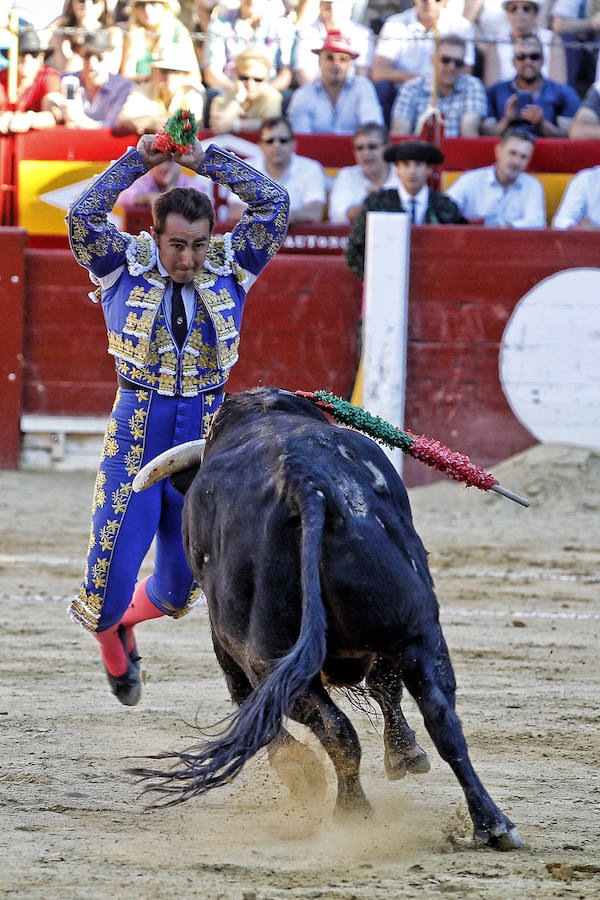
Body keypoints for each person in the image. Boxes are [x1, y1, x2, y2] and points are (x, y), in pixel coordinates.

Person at [67, 131, 290, 706]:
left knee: (178, 588)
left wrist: (208, 162)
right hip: (135, 439)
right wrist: (137, 162)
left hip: (203, 451)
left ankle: (126, 626)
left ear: (211, 239)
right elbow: (83, 217)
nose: (187, 258)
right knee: (106, 588)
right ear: (155, 237)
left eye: (196, 245)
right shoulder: (123, 266)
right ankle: (113, 643)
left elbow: (274, 205)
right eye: (175, 245)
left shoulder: (231, 268)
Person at [345, 140, 466, 279]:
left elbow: (460, 251)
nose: (412, 171)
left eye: (418, 165)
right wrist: (380, 278)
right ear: (397, 170)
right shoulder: (376, 203)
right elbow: (354, 252)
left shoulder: (445, 205)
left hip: (436, 280)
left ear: (428, 170)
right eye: (406, 165)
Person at [371, 0, 477, 125]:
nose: (429, 3)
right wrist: (420, 83)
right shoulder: (395, 23)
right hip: (403, 93)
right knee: (382, 88)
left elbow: (465, 71)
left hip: (446, 94)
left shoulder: (461, 26)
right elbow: (379, 72)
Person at [228, 116, 327, 222]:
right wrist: (279, 216)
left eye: (283, 140)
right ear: (260, 145)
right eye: (270, 141)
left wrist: (271, 216)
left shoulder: (311, 169)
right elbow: (234, 211)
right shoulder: (245, 168)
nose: (277, 145)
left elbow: (315, 213)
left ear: (293, 143)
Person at [287, 30, 384, 133]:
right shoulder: (303, 94)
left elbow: (373, 129)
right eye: (329, 58)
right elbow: (300, 137)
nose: (336, 64)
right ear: (319, 61)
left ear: (350, 64)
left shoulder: (363, 87)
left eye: (343, 59)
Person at [390, 35, 487, 138]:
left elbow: (469, 133)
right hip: (417, 152)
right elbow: (400, 135)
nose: (451, 67)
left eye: (458, 63)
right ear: (433, 60)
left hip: (456, 152)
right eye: (445, 60)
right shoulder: (411, 88)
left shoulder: (472, 86)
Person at [446, 127, 546, 226]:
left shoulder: (533, 186)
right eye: (512, 153)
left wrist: (504, 229)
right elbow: (443, 210)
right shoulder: (470, 180)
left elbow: (537, 222)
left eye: (523, 157)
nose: (516, 162)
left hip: (516, 241)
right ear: (498, 151)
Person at [484, 33, 580, 135]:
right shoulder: (494, 92)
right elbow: (483, 136)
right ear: (513, 61)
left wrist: (542, 123)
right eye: (521, 57)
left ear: (542, 60)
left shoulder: (564, 93)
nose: (528, 62)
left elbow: (571, 137)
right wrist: (507, 120)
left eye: (534, 56)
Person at [203, 0, 295, 93]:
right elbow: (212, 72)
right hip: (230, 90)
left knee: (284, 96)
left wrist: (261, 93)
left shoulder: (282, 26)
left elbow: (285, 73)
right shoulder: (219, 25)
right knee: (214, 93)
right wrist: (237, 91)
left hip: (267, 92)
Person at [114, 49, 205, 135]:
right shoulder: (142, 90)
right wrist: (172, 122)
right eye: (164, 71)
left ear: (185, 74)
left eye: (175, 71)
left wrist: (150, 121)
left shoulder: (193, 92)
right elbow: (123, 121)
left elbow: (194, 125)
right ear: (154, 72)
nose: (169, 76)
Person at [478, 0, 566, 87]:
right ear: (507, 13)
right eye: (513, 8)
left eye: (526, 8)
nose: (519, 12)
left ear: (536, 12)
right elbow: (492, 90)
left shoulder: (552, 40)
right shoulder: (496, 44)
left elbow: (559, 87)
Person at [56, 29, 132, 129]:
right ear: (80, 54)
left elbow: (112, 129)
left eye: (99, 57)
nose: (92, 62)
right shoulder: (67, 80)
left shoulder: (122, 87)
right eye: (87, 55)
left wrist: (79, 120)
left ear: (110, 57)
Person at [328, 121, 400, 224]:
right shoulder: (346, 175)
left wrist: (376, 203)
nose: (365, 153)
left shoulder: (402, 174)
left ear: (387, 147)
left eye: (372, 147)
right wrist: (371, 203)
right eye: (359, 148)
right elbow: (338, 216)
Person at [292, 0, 375, 86]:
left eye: (339, 2)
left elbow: (363, 74)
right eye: (327, 2)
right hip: (315, 91)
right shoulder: (307, 32)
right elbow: (305, 75)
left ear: (350, 6)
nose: (332, 6)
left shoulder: (363, 33)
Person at [0, 26, 63, 134]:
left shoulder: (49, 76)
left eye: (33, 54)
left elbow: (53, 114)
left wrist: (29, 119)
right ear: (12, 56)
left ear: (41, 57)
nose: (27, 59)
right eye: (21, 53)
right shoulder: (2, 77)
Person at [119, 0, 200, 83]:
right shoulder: (133, 32)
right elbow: (126, 75)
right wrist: (151, 80)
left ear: (165, 6)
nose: (147, 9)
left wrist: (171, 81)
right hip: (141, 89)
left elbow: (194, 76)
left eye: (153, 3)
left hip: (175, 90)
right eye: (141, 5)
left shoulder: (178, 32)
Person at [208, 48, 283, 134]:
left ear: (266, 79)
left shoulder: (272, 96)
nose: (251, 84)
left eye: (258, 79)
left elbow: (272, 125)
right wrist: (238, 99)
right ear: (235, 75)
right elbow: (218, 126)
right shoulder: (222, 98)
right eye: (244, 78)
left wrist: (234, 125)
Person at [45, 0, 122, 76]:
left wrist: (90, 30)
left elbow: (111, 71)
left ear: (103, 5)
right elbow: (65, 71)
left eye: (94, 1)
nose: (87, 5)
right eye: (81, 0)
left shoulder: (113, 34)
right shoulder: (60, 33)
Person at [552, 0, 600, 97]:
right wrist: (591, 23)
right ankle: (566, 99)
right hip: (586, 51)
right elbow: (558, 24)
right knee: (566, 38)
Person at [116, 158, 213, 206]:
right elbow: (120, 197)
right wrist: (148, 197)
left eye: (170, 162)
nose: (164, 167)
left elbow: (205, 204)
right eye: (160, 162)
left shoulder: (189, 182)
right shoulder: (142, 179)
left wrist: (171, 183)